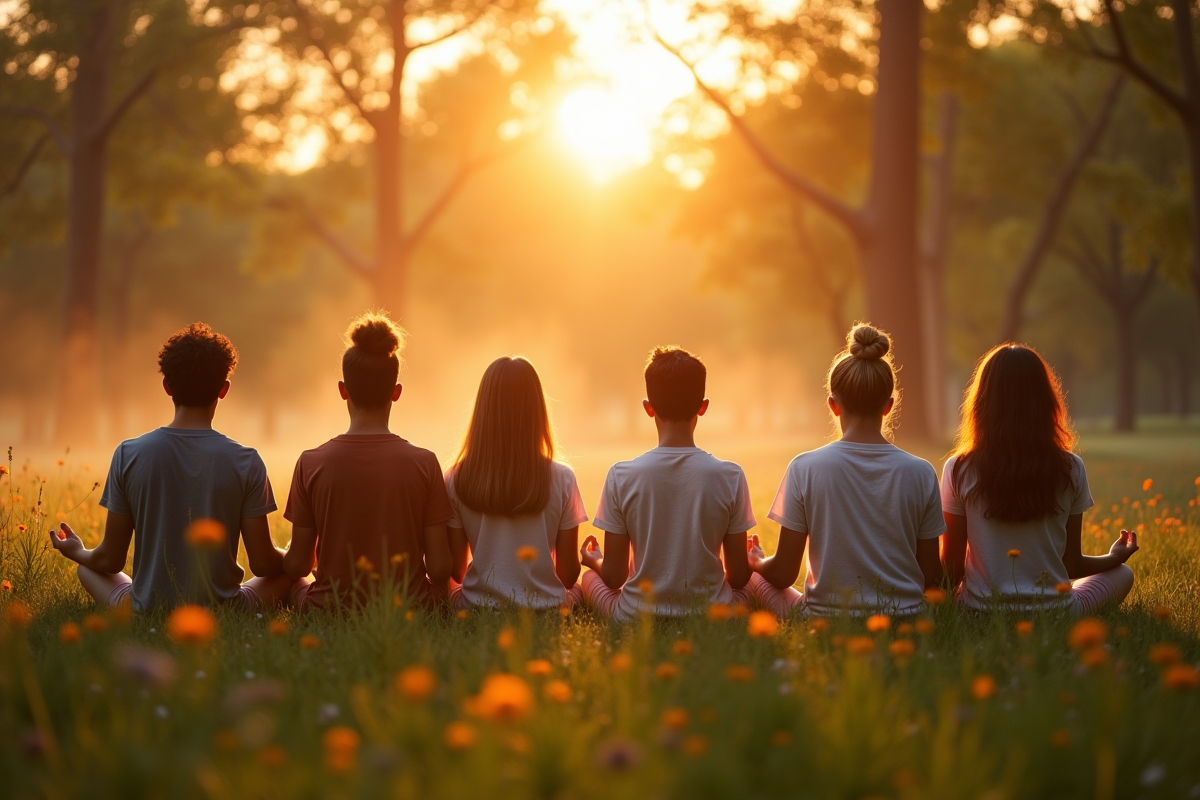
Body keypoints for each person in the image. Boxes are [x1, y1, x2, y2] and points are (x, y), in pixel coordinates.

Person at [48, 323, 291, 610]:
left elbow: (109, 561)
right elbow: (263, 564)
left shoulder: (129, 453)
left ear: (167, 387)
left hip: (145, 607)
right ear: (223, 389)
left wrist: (77, 552)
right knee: (292, 576)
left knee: (86, 568)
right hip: (226, 609)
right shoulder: (245, 460)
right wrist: (292, 555)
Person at [749, 324, 945, 617]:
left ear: (833, 405)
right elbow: (930, 576)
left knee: (753, 580)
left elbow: (783, 574)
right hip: (905, 616)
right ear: (889, 406)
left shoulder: (805, 468)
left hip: (823, 617)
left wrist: (756, 561)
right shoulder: (921, 472)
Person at [940, 344, 1137, 613]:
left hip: (979, 611)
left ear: (981, 403)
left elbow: (950, 571)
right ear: (1046, 402)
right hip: (1055, 612)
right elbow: (1071, 565)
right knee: (1123, 573)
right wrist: (1114, 557)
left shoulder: (958, 469)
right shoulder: (1070, 468)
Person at [282, 313, 452, 609]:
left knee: (290, 583)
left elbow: (297, 566)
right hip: (410, 608)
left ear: (342, 390)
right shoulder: (424, 463)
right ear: (396, 393)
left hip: (328, 608)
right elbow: (439, 569)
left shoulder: (311, 462)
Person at [579, 346, 757, 621]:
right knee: (755, 585)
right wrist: (753, 559)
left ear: (648, 409)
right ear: (703, 406)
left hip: (637, 616)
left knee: (591, 579)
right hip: (713, 616)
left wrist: (593, 560)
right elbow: (738, 579)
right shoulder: (730, 475)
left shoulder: (621, 475)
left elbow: (614, 578)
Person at [445, 357, 588, 610]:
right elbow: (567, 575)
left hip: (477, 608)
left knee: (445, 586)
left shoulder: (456, 478)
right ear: (537, 411)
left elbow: (456, 571)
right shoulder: (563, 479)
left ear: (484, 410)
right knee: (584, 585)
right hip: (546, 608)